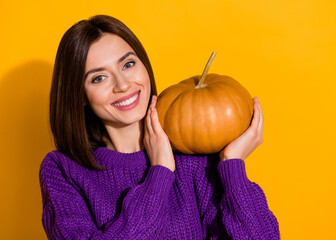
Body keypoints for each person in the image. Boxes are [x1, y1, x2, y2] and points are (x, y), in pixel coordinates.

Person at [39, 14, 280, 239]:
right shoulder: (62, 170)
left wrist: (232, 166)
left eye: (128, 64)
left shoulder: (193, 159)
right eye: (99, 78)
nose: (122, 85)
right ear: (79, 95)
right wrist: (160, 173)